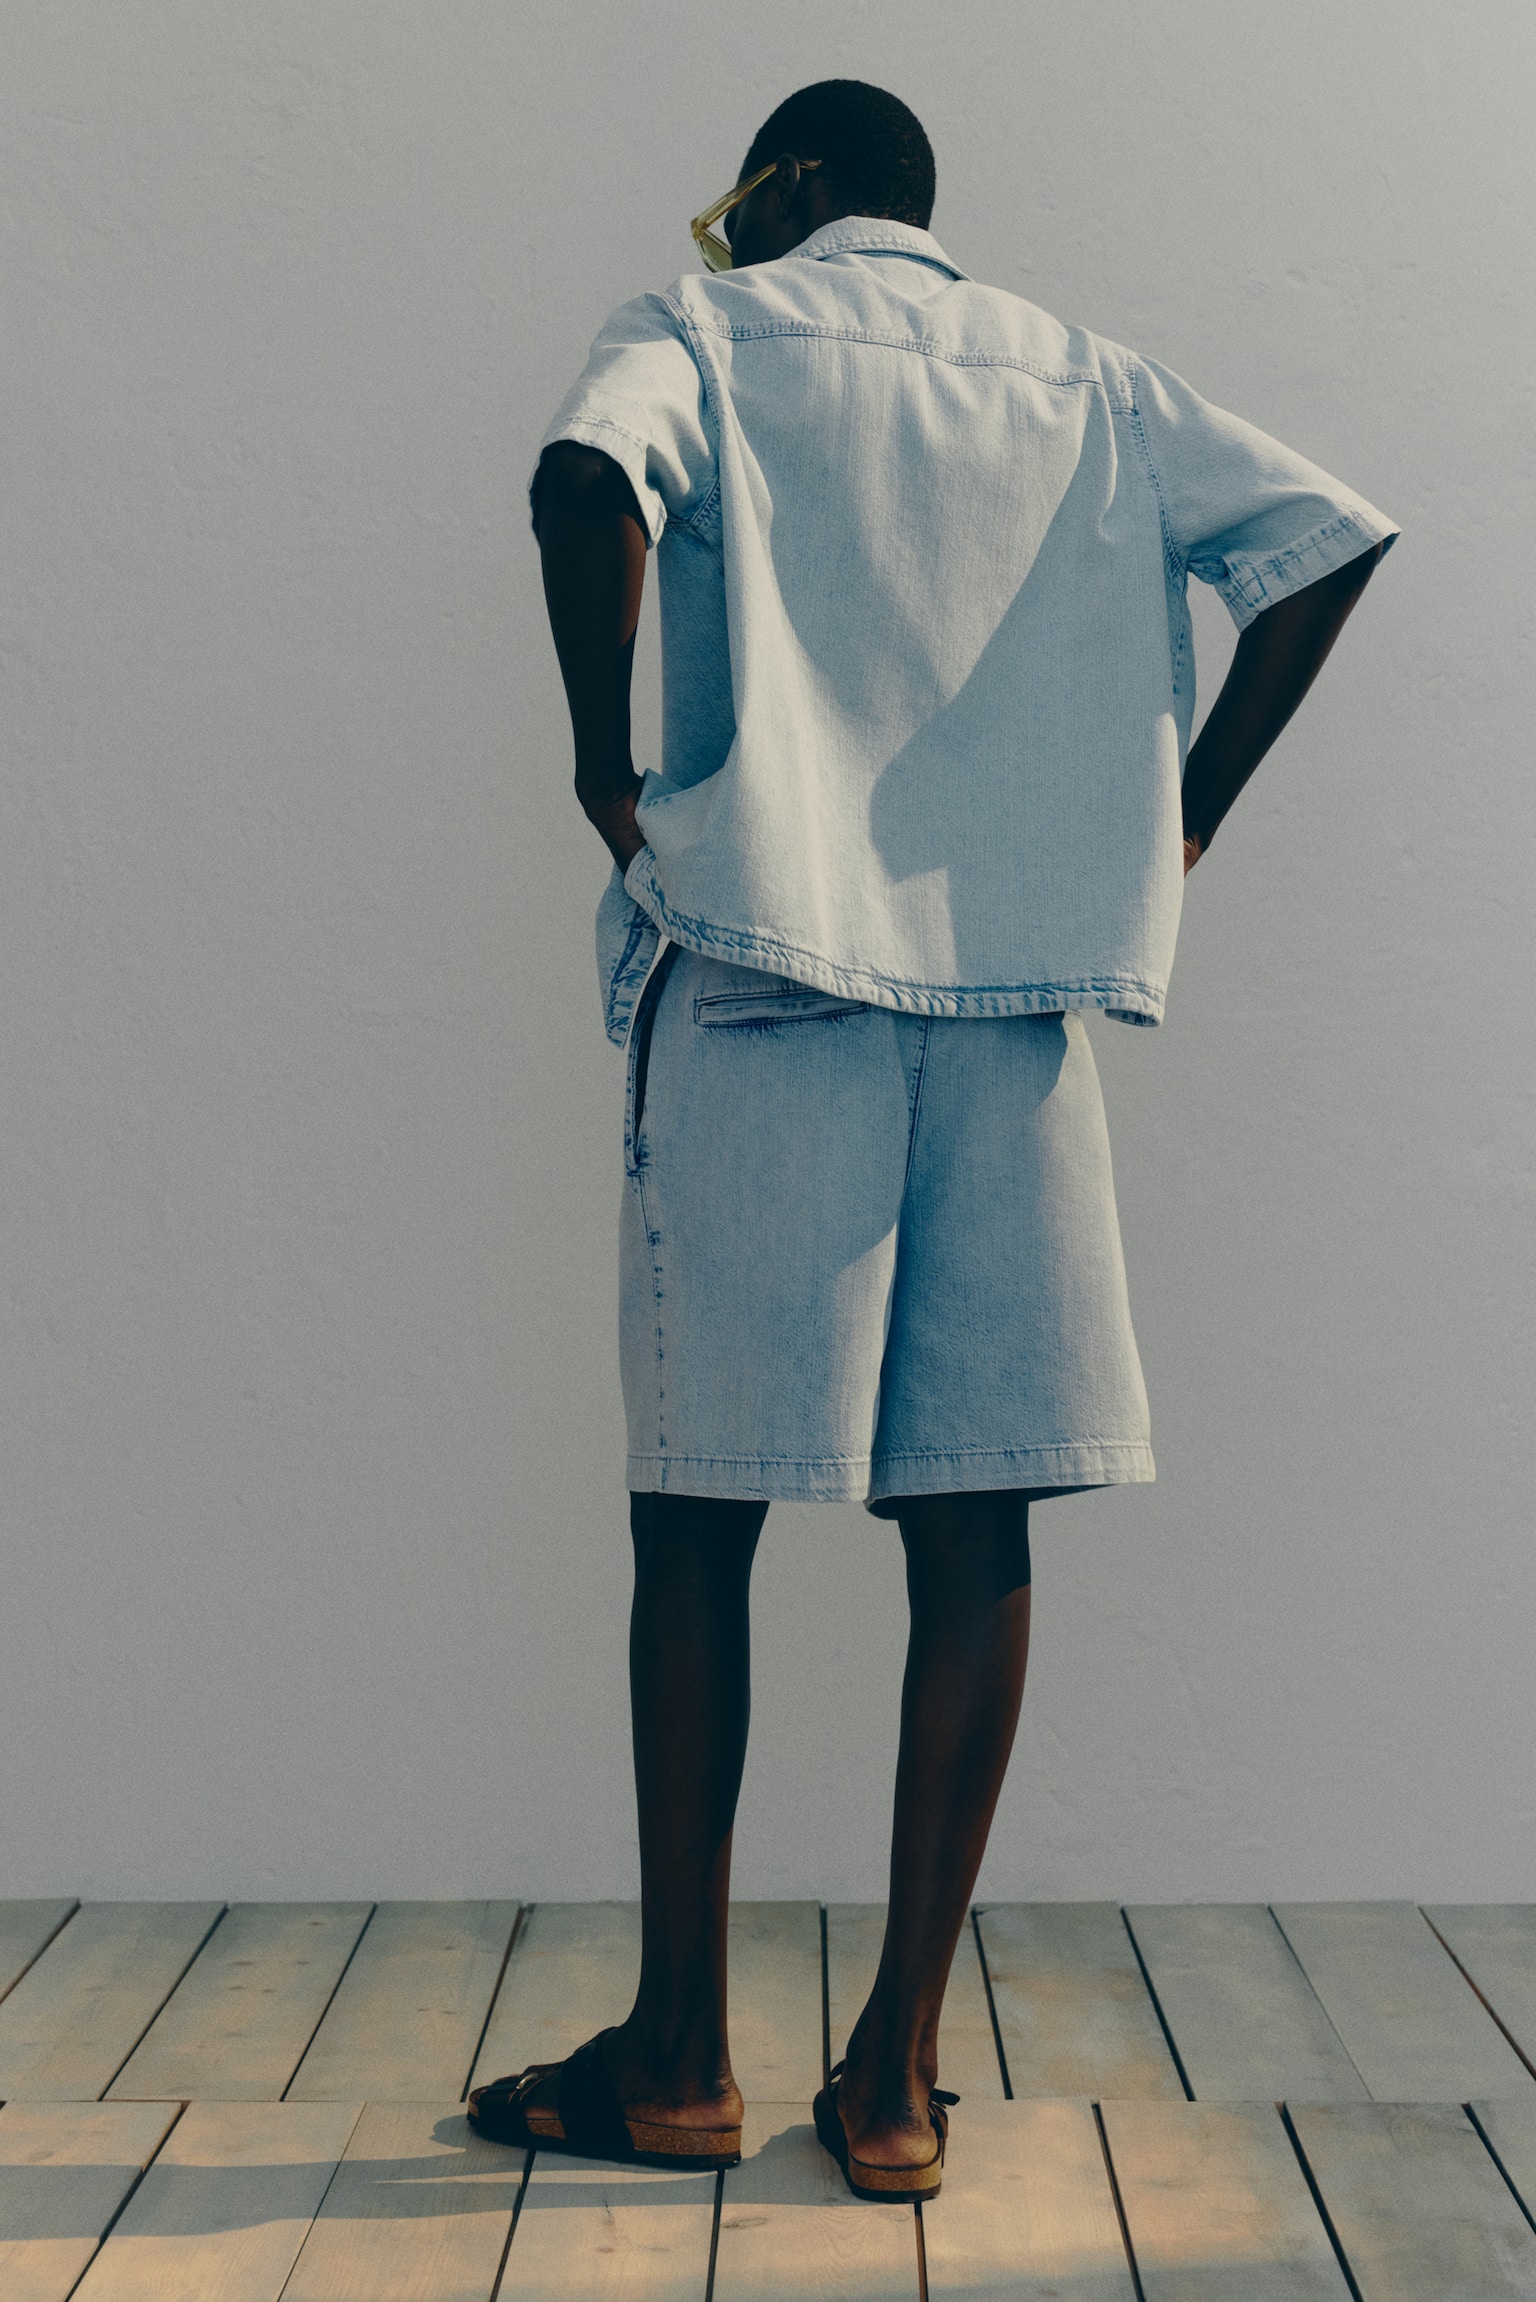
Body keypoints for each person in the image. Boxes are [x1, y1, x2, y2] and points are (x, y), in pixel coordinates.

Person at [468, 79, 1397, 2199]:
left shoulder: (708, 331)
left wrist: (606, 772)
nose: (726, 231)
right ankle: (891, 2076)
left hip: (766, 972)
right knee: (975, 1533)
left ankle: (681, 2056)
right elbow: (1325, 545)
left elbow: (582, 479)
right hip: (1009, 1018)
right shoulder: (1087, 379)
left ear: (794, 185)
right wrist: (1183, 817)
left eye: (742, 200)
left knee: (699, 1520)